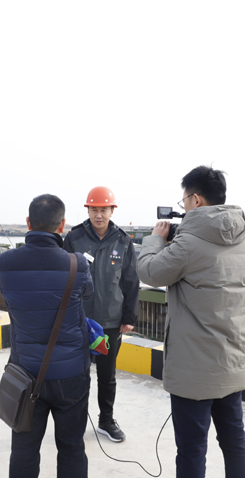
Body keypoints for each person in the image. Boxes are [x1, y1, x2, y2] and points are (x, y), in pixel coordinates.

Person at [136, 166, 245, 478]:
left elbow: (149, 271)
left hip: (193, 370)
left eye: (183, 201)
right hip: (232, 363)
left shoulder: (188, 245)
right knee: (234, 440)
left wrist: (155, 239)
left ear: (195, 199)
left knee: (192, 448)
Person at [0, 194, 94, 478]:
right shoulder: (77, 264)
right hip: (71, 375)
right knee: (72, 447)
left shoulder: (6, 263)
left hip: (25, 373)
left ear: (28, 222)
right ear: (61, 225)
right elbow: (87, 293)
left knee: (24, 449)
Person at [63, 186, 139, 443]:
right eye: (94, 209)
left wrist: (129, 318)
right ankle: (74, 421)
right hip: (80, 320)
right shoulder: (74, 238)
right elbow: (64, 277)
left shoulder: (123, 241)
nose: (98, 215)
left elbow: (131, 281)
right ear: (88, 210)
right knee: (77, 374)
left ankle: (106, 420)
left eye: (103, 209)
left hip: (110, 322)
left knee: (107, 376)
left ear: (111, 211)